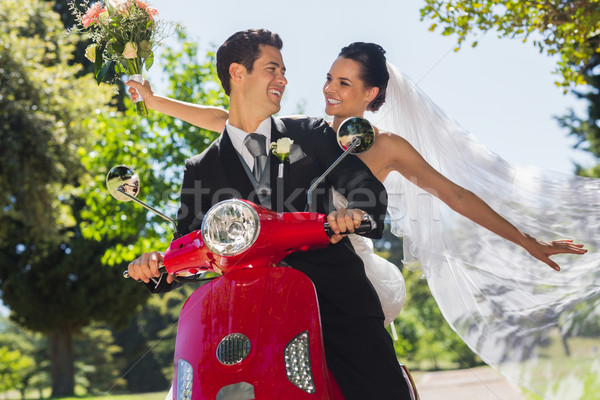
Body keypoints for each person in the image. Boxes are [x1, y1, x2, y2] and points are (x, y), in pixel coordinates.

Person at [127, 41, 598, 397]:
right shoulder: (302, 130)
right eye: (329, 79)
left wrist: (528, 241)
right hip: (268, 271)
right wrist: (155, 101)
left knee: (363, 355)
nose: (330, 90)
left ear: (371, 93)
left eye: (345, 83)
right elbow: (224, 119)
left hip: (341, 253)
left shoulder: (381, 145)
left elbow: (453, 194)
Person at [127, 30, 413, 399]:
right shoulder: (201, 168)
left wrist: (354, 214)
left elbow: (365, 189)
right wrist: (155, 266)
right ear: (238, 73)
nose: (283, 80)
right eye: (272, 69)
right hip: (249, 314)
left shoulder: (310, 133)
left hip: (335, 302)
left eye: (283, 71)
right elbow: (189, 248)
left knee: (382, 390)